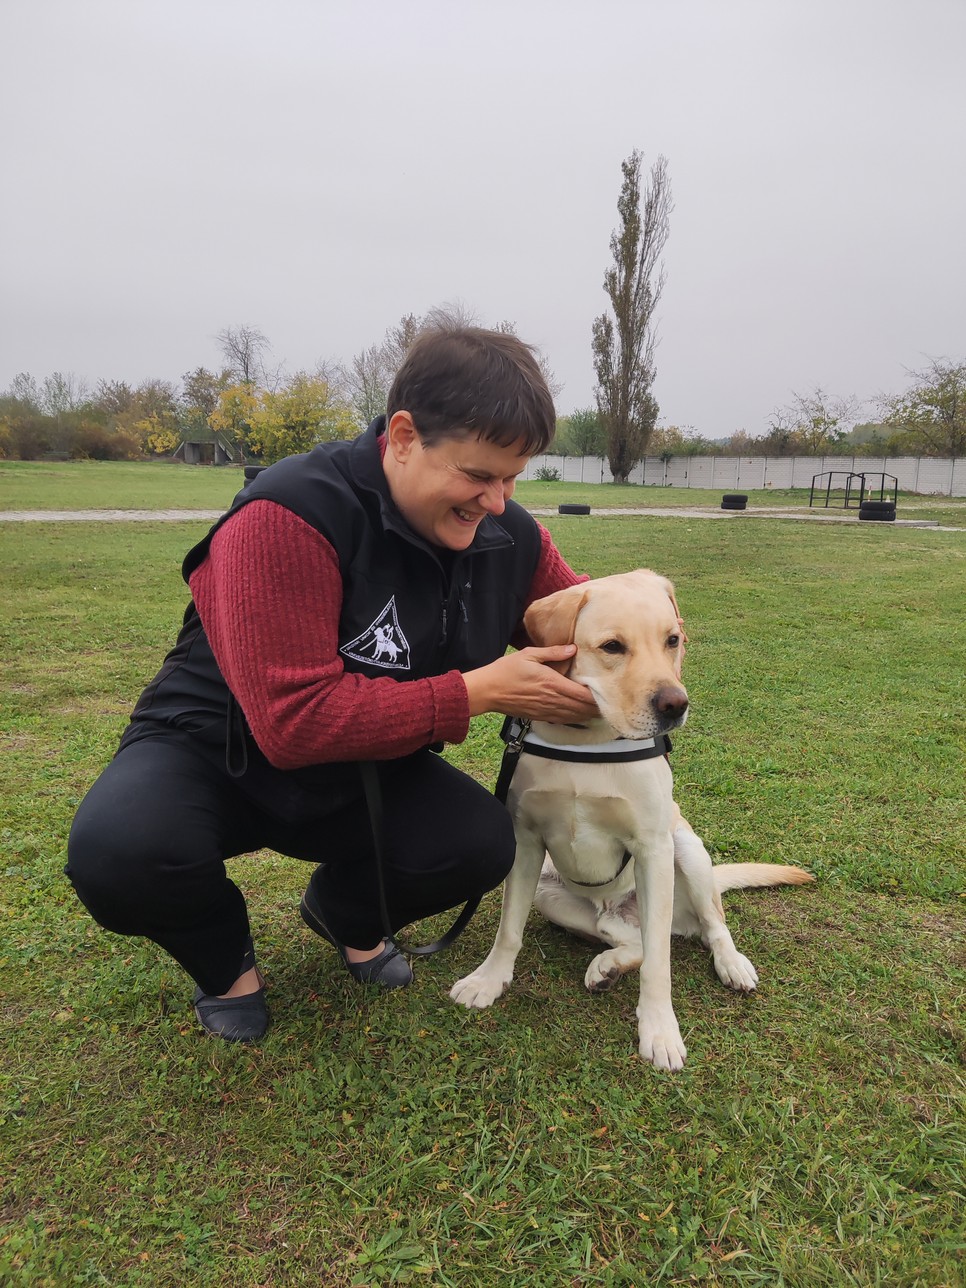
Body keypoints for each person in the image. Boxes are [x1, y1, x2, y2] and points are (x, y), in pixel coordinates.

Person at [66, 323, 597, 1043]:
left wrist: (645, 638)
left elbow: (583, 621)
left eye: (512, 478)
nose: (497, 500)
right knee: (119, 853)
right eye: (478, 475)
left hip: (365, 769)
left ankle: (347, 912)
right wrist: (478, 690)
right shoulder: (287, 514)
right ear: (404, 436)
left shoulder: (509, 535)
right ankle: (223, 961)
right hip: (214, 750)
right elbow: (295, 723)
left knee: (478, 842)